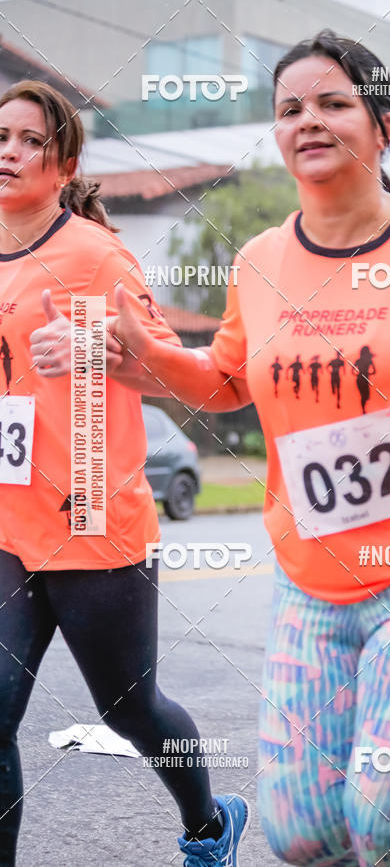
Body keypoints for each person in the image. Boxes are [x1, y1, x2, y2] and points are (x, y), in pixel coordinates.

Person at [48, 31, 390, 867]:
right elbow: (228, 382)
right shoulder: (262, 262)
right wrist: (151, 363)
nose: (309, 119)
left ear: (385, 126)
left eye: (334, 102)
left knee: (380, 823)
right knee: (304, 837)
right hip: (312, 590)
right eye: (290, 109)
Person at [0, 80, 248, 867]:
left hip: (92, 520)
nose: (7, 151)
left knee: (130, 706)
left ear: (64, 160)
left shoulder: (97, 255)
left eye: (28, 140)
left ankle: (210, 826)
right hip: (9, 522)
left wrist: (97, 346)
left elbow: (166, 365)